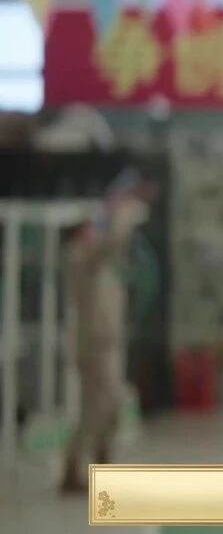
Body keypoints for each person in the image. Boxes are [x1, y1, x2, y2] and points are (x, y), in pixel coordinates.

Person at [59, 188, 149, 493]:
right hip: (94, 346)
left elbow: (113, 251)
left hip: (108, 343)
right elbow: (110, 243)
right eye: (88, 227)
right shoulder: (79, 257)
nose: (93, 231)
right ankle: (77, 468)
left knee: (106, 407)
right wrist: (122, 215)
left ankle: (96, 463)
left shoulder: (99, 262)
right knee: (99, 408)